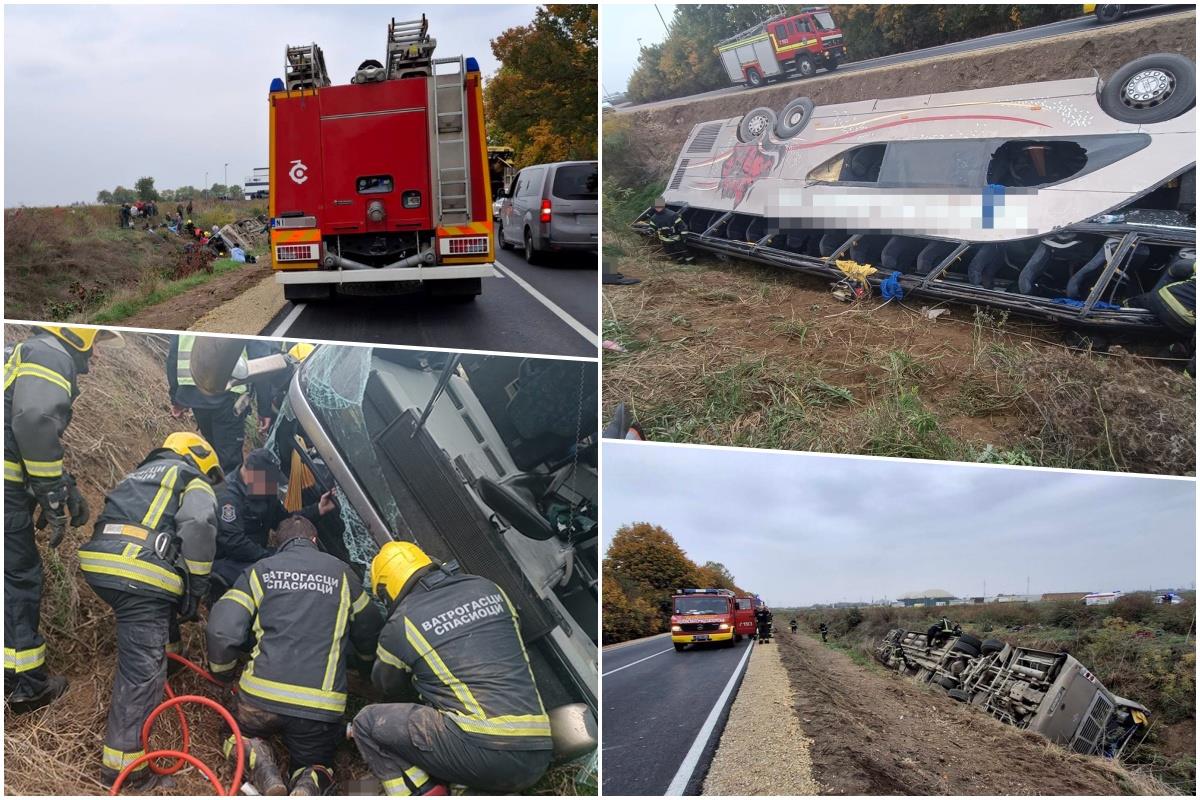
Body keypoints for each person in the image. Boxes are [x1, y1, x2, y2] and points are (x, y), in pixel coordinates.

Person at [351, 542, 553, 796]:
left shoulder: (401, 624)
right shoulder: (487, 587)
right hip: (539, 751)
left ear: (386, 591)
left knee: (367, 722)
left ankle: (420, 791)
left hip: (484, 752)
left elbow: (386, 685)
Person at [80, 432, 221, 789]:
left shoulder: (141, 474)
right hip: (137, 571)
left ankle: (170, 662)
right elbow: (200, 525)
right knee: (141, 671)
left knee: (158, 609)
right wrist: (197, 588)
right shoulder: (191, 478)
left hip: (102, 562)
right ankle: (126, 771)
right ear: (200, 458)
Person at [207, 515, 383, 795]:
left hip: (260, 701)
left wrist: (222, 672)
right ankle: (308, 781)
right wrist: (364, 666)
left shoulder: (261, 570)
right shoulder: (342, 574)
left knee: (232, 732)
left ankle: (259, 761)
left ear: (278, 543)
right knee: (317, 761)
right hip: (318, 710)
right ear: (315, 541)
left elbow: (222, 629)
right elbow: (370, 627)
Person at [4, 327, 103, 713]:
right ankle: (24, 685)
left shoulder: (24, 353)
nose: (95, 359)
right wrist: (49, 490)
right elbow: (32, 421)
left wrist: (64, 484)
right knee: (18, 578)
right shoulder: (52, 356)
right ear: (77, 338)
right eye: (95, 347)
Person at [209, 448, 340, 606]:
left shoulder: (264, 488)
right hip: (228, 560)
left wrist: (318, 509)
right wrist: (270, 557)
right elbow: (233, 542)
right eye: (269, 480)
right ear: (251, 474)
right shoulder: (228, 497)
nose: (272, 484)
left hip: (256, 555)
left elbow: (284, 520)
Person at [166, 334, 250, 476]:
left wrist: (176, 398)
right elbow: (260, 354)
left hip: (195, 392)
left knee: (213, 452)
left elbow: (173, 354)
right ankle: (226, 494)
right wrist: (265, 408)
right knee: (230, 462)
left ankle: (213, 488)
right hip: (228, 393)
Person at [648, 197, 693, 263]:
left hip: (676, 239)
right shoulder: (654, 218)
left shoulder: (672, 215)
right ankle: (681, 262)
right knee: (671, 252)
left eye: (660, 207)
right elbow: (652, 227)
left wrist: (684, 237)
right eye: (656, 207)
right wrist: (650, 231)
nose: (658, 209)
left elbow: (682, 226)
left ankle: (691, 263)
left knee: (684, 251)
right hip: (664, 240)